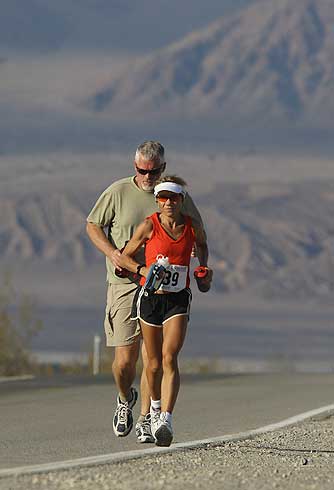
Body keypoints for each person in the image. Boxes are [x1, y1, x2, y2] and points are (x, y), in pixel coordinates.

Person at [86, 141, 206, 442]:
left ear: (163, 168)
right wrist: (113, 253)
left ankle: (146, 418)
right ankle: (125, 398)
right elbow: (92, 226)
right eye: (142, 171)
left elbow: (195, 232)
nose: (148, 177)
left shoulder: (174, 197)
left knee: (155, 358)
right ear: (134, 167)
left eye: (153, 171)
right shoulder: (118, 192)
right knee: (125, 362)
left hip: (165, 290)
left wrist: (192, 257)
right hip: (125, 283)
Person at [119, 175, 212, 446]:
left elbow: (203, 246)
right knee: (154, 362)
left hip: (177, 300)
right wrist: (142, 270)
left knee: (170, 357)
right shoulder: (149, 225)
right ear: (157, 201)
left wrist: (202, 268)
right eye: (162, 198)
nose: (168, 203)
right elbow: (124, 255)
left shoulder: (192, 227)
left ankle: (166, 419)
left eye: (173, 198)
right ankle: (153, 411)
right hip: (151, 299)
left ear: (181, 200)